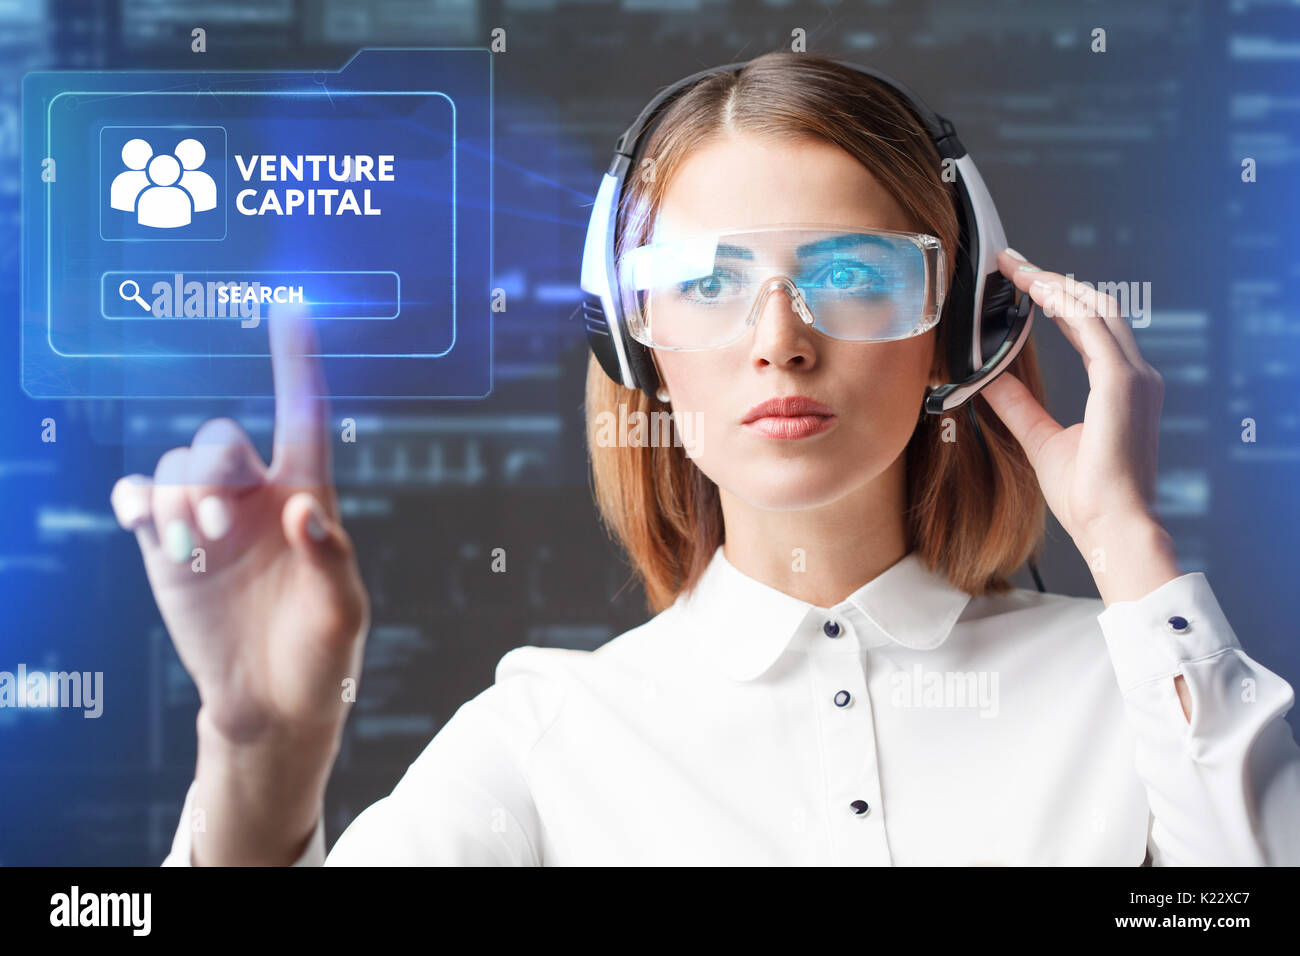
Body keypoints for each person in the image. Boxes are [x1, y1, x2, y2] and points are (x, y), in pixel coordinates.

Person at [112, 52, 1300, 865]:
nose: (778, 341)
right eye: (705, 283)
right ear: (638, 345)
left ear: (960, 330)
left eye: (848, 273)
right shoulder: (550, 730)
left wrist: (1132, 560)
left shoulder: (1134, 693)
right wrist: (258, 756)